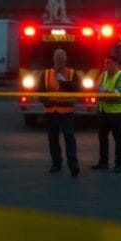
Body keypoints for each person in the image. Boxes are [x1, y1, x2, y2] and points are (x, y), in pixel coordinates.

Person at [40, 48, 81, 176]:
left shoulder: (72, 73)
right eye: (57, 59)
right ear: (54, 60)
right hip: (51, 111)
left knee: (69, 138)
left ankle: (73, 165)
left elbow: (77, 89)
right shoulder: (46, 74)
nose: (59, 61)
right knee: (53, 139)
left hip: (67, 111)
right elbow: (39, 91)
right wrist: (47, 102)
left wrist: (63, 81)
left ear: (65, 59)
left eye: (62, 59)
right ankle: (56, 163)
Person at [92, 55, 121, 173]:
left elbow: (118, 93)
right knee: (102, 138)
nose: (106, 65)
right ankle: (103, 162)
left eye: (109, 63)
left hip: (116, 112)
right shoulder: (103, 75)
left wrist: (105, 92)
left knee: (118, 138)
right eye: (105, 63)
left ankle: (119, 164)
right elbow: (96, 88)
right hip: (103, 110)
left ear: (116, 63)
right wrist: (104, 92)